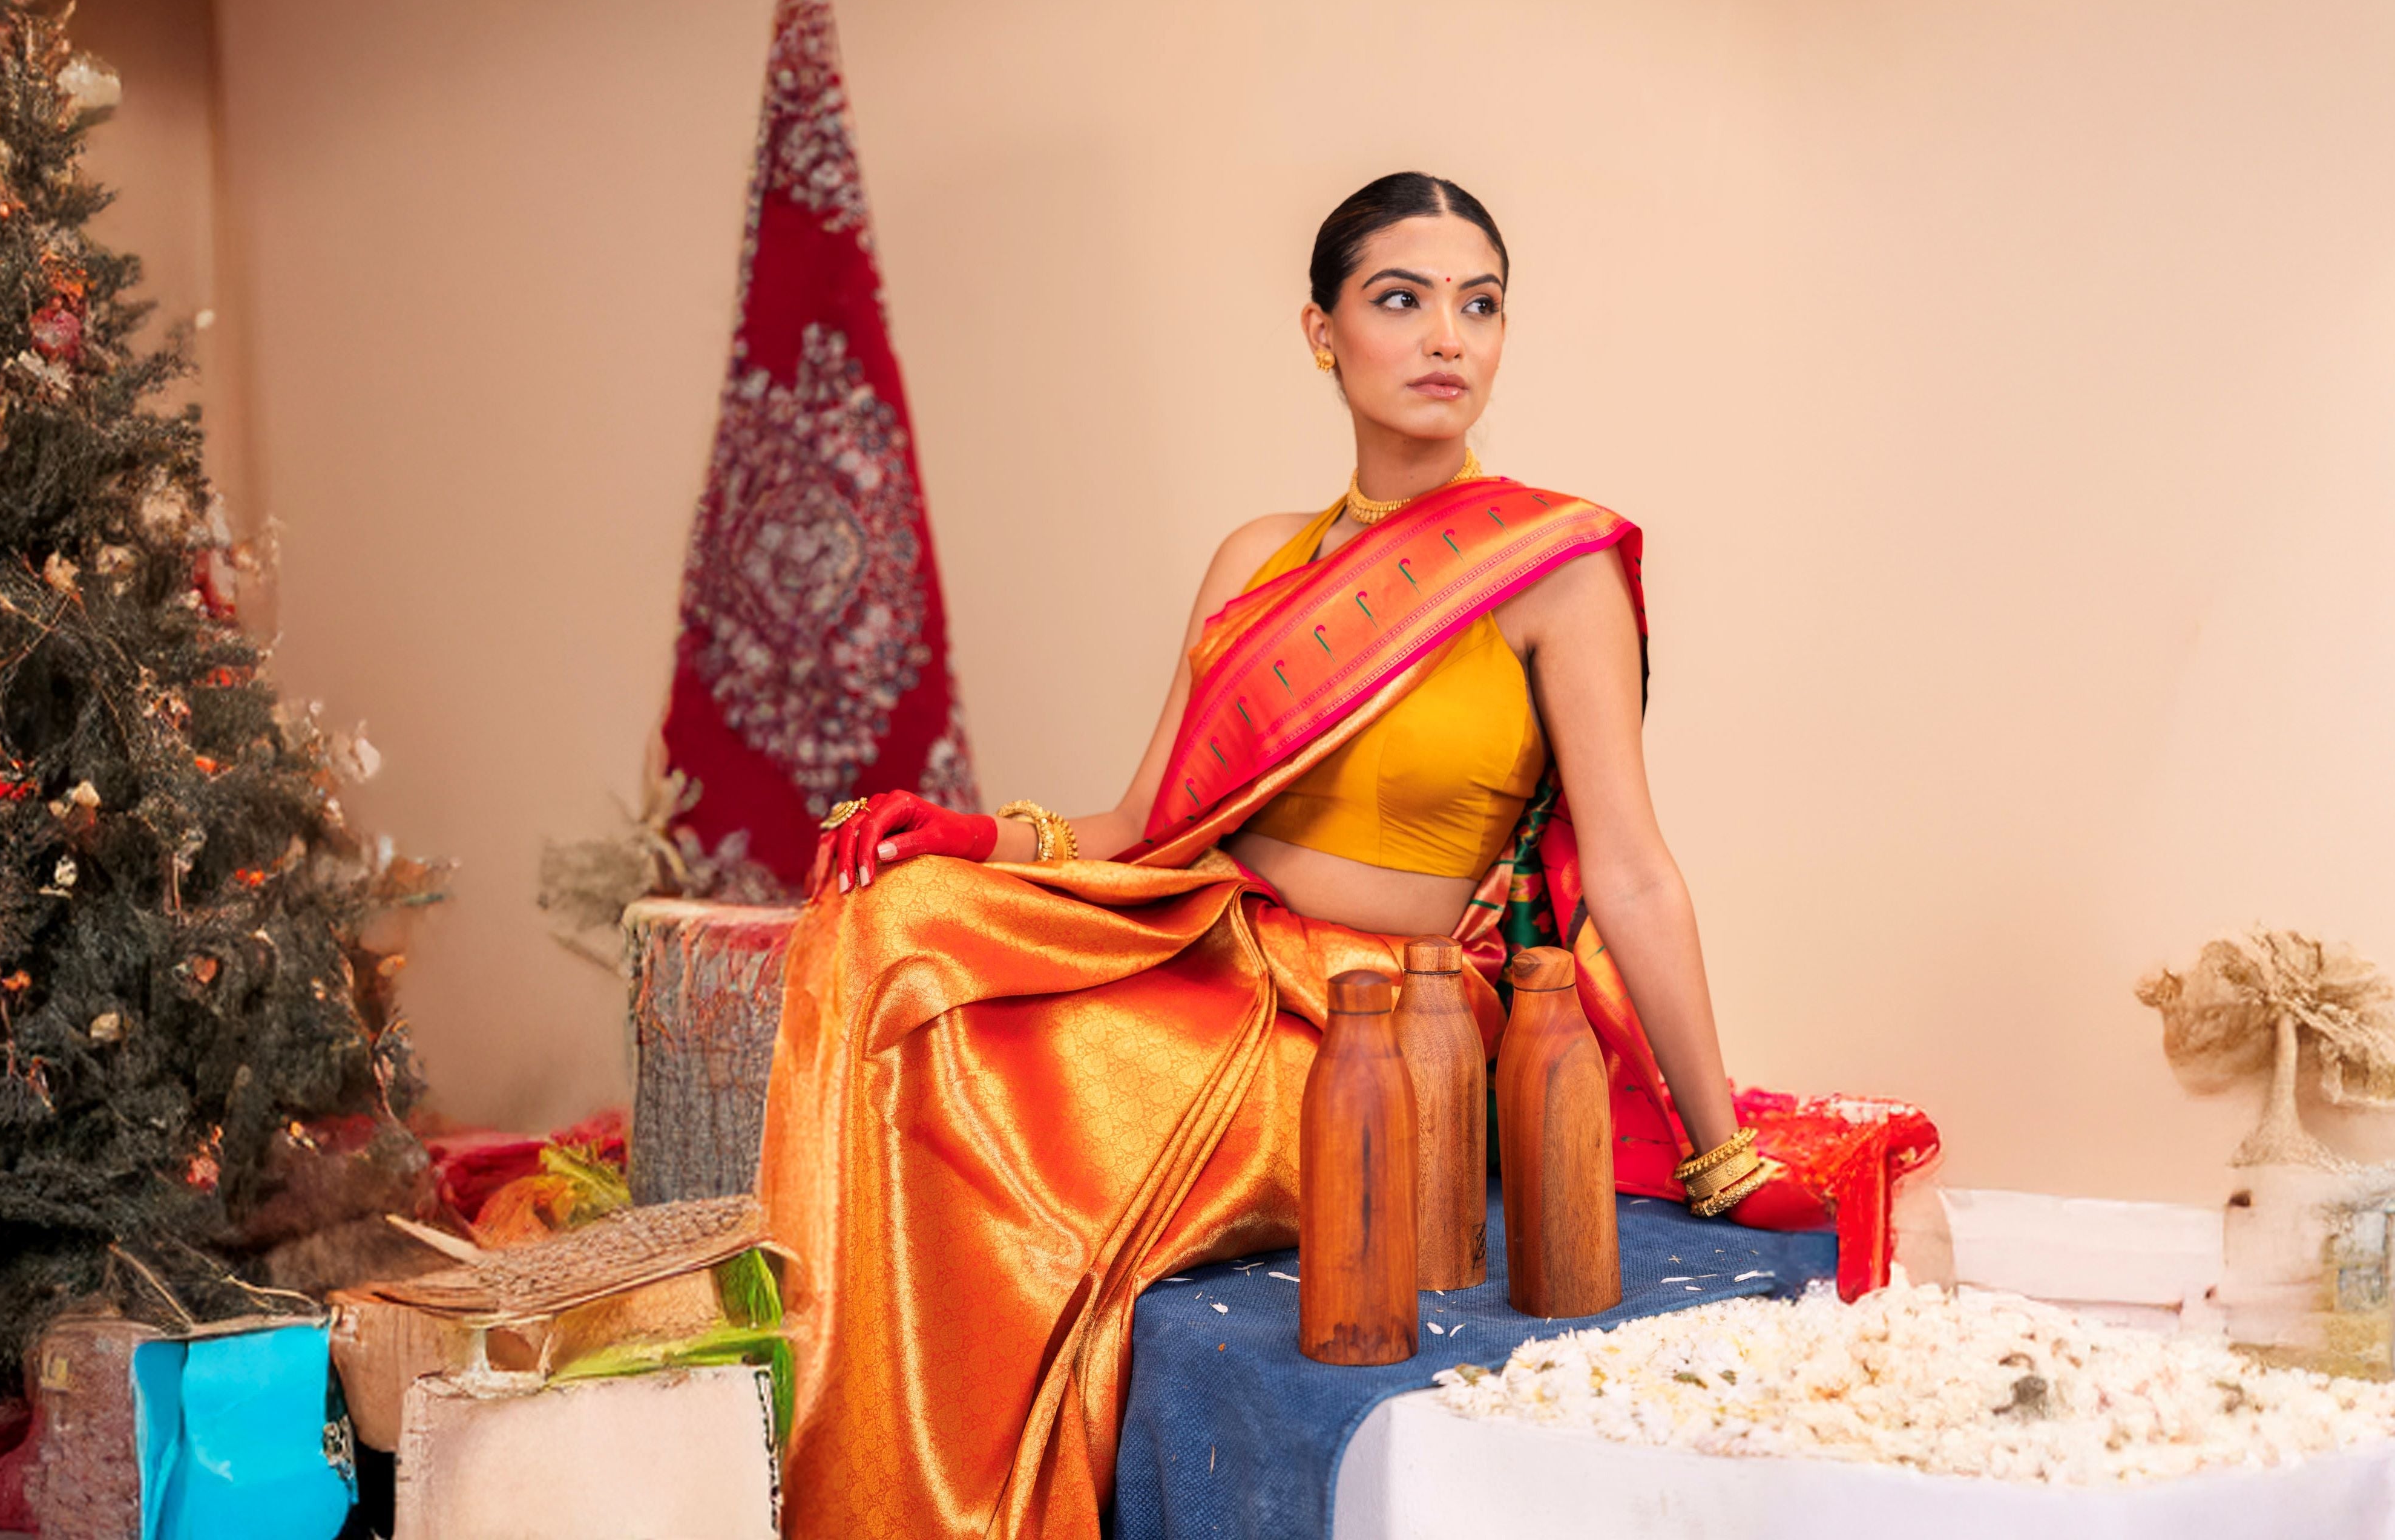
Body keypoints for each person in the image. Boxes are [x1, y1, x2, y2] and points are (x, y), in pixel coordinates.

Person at [763, 172, 1865, 1539]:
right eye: (1402, 301)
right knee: (897, 927)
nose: (1447, 338)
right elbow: (1139, 823)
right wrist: (968, 837)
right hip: (1207, 952)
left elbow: (1632, 870)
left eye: (1480, 306)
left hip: (1387, 1030)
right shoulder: (1256, 559)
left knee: (1042, 1123)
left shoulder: (1550, 566)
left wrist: (1721, 1155)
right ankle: (897, 1486)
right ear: (1322, 332)